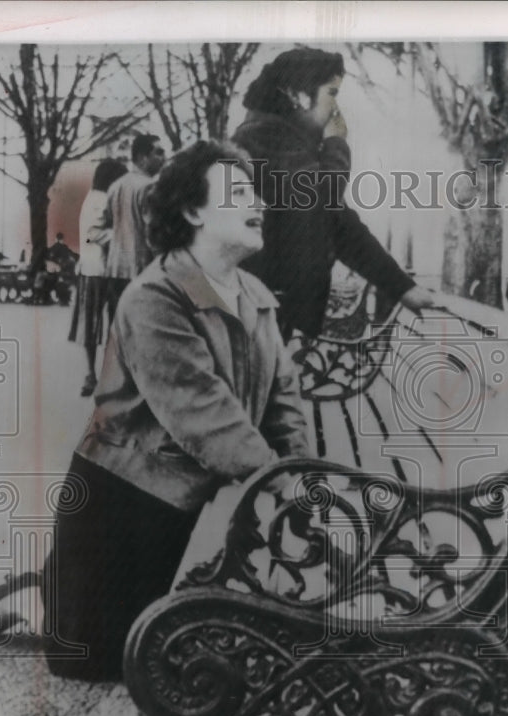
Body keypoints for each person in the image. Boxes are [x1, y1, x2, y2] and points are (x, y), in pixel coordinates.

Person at [42, 139, 309, 683]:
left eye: (255, 191)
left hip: (174, 505)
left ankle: (46, 593)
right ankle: (34, 597)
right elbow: (203, 412)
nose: (258, 202)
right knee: (89, 660)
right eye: (238, 193)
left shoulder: (255, 294)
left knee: (155, 650)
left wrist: (306, 476)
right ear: (192, 212)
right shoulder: (153, 298)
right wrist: (284, 486)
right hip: (118, 503)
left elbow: (284, 401)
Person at [233, 47, 435, 342]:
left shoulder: (280, 140)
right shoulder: (264, 137)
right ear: (297, 95)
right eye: (332, 93)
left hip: (276, 321)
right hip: (264, 324)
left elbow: (340, 225)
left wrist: (402, 287)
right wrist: (336, 144)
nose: (335, 111)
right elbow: (323, 201)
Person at [68, 158, 128, 396]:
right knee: (106, 322)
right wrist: (122, 237)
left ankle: (92, 374)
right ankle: (98, 375)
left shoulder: (93, 197)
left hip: (90, 268)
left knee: (92, 324)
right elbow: (94, 233)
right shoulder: (101, 199)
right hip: (100, 269)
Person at [103, 133, 166, 322]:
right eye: (159, 153)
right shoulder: (150, 187)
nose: (164, 158)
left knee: (118, 329)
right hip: (140, 269)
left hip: (115, 268)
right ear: (141, 157)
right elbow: (153, 232)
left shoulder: (115, 186)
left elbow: (108, 222)